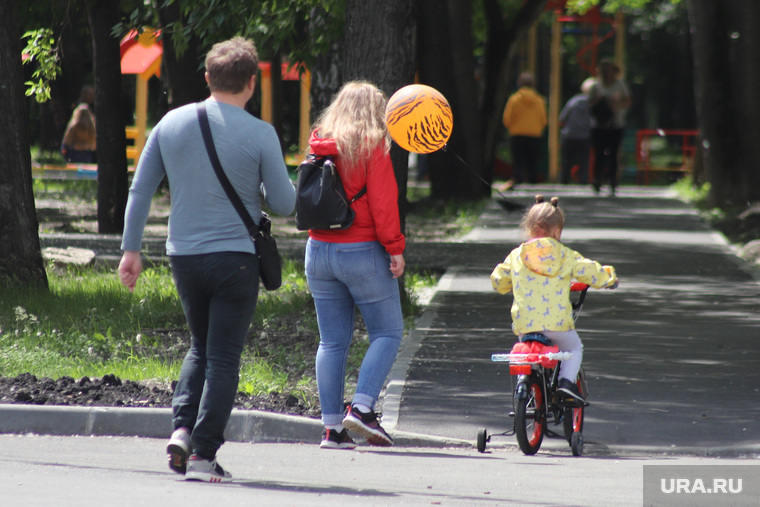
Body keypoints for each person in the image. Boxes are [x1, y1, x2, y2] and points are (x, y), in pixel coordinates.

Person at [118, 37, 295, 482]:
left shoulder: (170, 124)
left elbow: (140, 190)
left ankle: (181, 430)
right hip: (235, 260)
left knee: (200, 346)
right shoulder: (260, 134)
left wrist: (131, 250)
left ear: (207, 78)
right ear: (251, 83)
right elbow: (285, 204)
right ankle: (203, 455)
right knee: (223, 357)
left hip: (184, 257)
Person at [304, 81, 406, 450]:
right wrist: (395, 248)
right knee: (388, 332)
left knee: (331, 342)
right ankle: (362, 408)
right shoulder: (373, 145)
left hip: (317, 251)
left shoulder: (319, 143)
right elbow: (383, 204)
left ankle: (332, 429)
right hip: (361, 250)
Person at [490, 195, 617, 403]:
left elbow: (499, 281)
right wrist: (609, 279)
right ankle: (566, 382)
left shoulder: (516, 255)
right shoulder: (565, 254)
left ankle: (527, 381)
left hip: (525, 325)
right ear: (557, 231)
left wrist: (510, 283)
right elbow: (590, 272)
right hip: (557, 324)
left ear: (528, 228)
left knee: (528, 355)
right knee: (574, 348)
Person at [589, 59, 631, 196]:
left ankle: (612, 181)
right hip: (599, 125)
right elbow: (589, 103)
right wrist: (600, 102)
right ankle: (597, 180)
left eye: (608, 70)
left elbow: (628, 101)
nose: (606, 74)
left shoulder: (620, 85)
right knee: (599, 153)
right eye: (603, 71)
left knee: (613, 154)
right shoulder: (595, 85)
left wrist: (615, 104)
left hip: (616, 125)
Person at [502, 72, 547, 188]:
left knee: (518, 160)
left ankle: (518, 180)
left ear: (519, 84)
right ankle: (532, 182)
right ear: (533, 85)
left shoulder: (514, 99)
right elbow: (543, 119)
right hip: (534, 134)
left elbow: (507, 118)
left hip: (517, 134)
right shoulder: (539, 100)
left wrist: (512, 128)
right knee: (532, 160)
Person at [559, 78, 595, 185]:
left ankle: (563, 183)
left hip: (569, 135)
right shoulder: (594, 103)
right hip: (585, 137)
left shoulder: (573, 101)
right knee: (584, 162)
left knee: (566, 161)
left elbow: (562, 118)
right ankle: (584, 183)